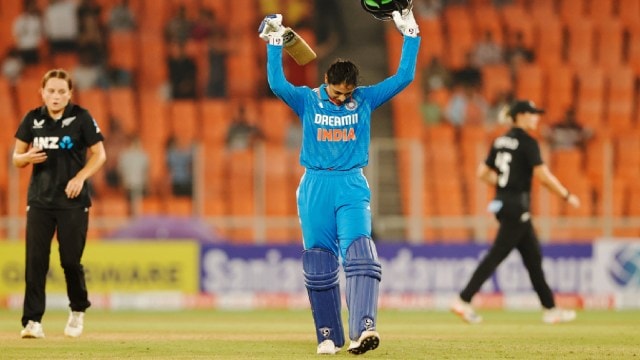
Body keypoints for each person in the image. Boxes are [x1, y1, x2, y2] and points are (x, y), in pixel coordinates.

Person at [259, 9, 420, 355]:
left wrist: (411, 35)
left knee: (361, 254)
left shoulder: (364, 99)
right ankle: (328, 336)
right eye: (336, 92)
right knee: (318, 263)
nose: (341, 98)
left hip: (351, 186)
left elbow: (404, 76)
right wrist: (274, 41)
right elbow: (276, 84)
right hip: (315, 186)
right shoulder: (308, 99)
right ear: (326, 82)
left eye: (346, 94)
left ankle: (364, 328)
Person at [451, 100, 580, 325]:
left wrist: (502, 183)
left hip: (504, 203)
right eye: (531, 114)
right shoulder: (528, 143)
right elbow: (543, 176)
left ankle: (550, 309)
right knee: (497, 255)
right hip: (517, 207)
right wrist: (566, 195)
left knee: (533, 258)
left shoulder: (500, 140)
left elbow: (482, 172)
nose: (536, 118)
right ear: (520, 116)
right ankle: (463, 300)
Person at [12, 68, 106, 338]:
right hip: (40, 201)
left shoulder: (82, 118)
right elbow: (16, 159)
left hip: (73, 203)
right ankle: (32, 322)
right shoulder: (32, 119)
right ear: (42, 92)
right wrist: (27, 156)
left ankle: (77, 310)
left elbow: (100, 155)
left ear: (69, 94)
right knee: (36, 262)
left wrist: (80, 177)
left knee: (70, 261)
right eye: (51, 91)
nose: (55, 96)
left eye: (61, 92)